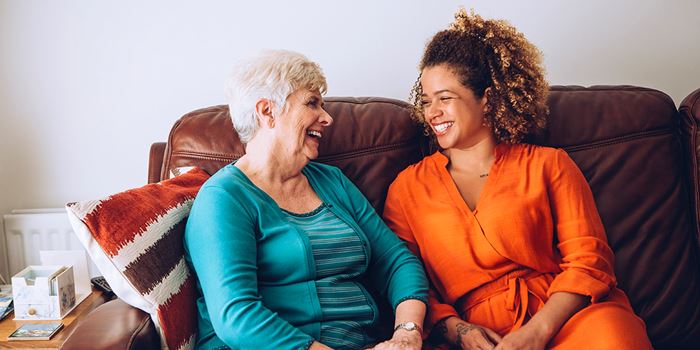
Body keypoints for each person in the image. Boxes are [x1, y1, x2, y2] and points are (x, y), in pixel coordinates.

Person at [382, 9, 652, 350]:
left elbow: (589, 261)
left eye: (445, 98)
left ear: (488, 100)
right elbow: (409, 283)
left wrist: (536, 333)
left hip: (561, 321)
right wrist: (459, 332)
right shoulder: (407, 189)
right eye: (426, 101)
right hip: (475, 338)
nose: (432, 111)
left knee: (613, 333)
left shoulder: (548, 165)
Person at [184, 50, 428, 350]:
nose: (327, 118)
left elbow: (396, 261)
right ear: (267, 112)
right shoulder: (224, 198)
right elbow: (236, 316)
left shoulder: (332, 181)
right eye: (312, 103)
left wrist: (406, 333)